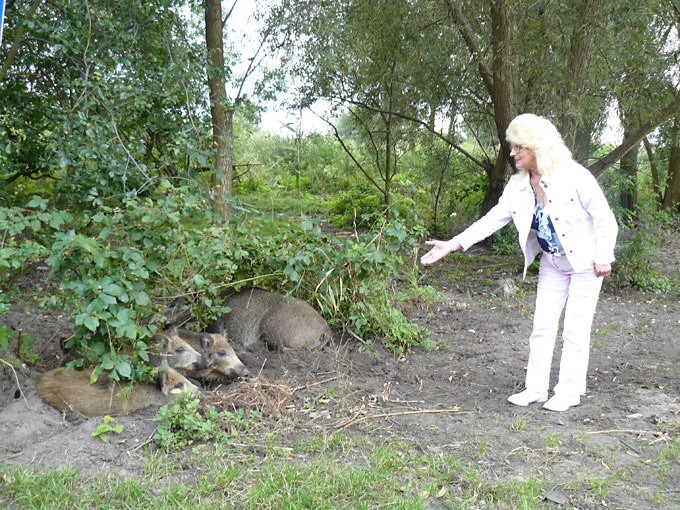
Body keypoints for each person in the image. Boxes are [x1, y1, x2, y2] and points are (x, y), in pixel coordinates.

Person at [420, 113, 618, 412]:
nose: (512, 153)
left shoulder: (575, 176)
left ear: (536, 147)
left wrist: (604, 255)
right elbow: (492, 220)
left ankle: (569, 391)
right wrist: (452, 244)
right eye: (512, 147)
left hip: (586, 264)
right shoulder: (518, 185)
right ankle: (536, 388)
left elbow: (605, 219)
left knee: (576, 329)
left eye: (518, 148)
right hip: (553, 262)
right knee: (542, 325)